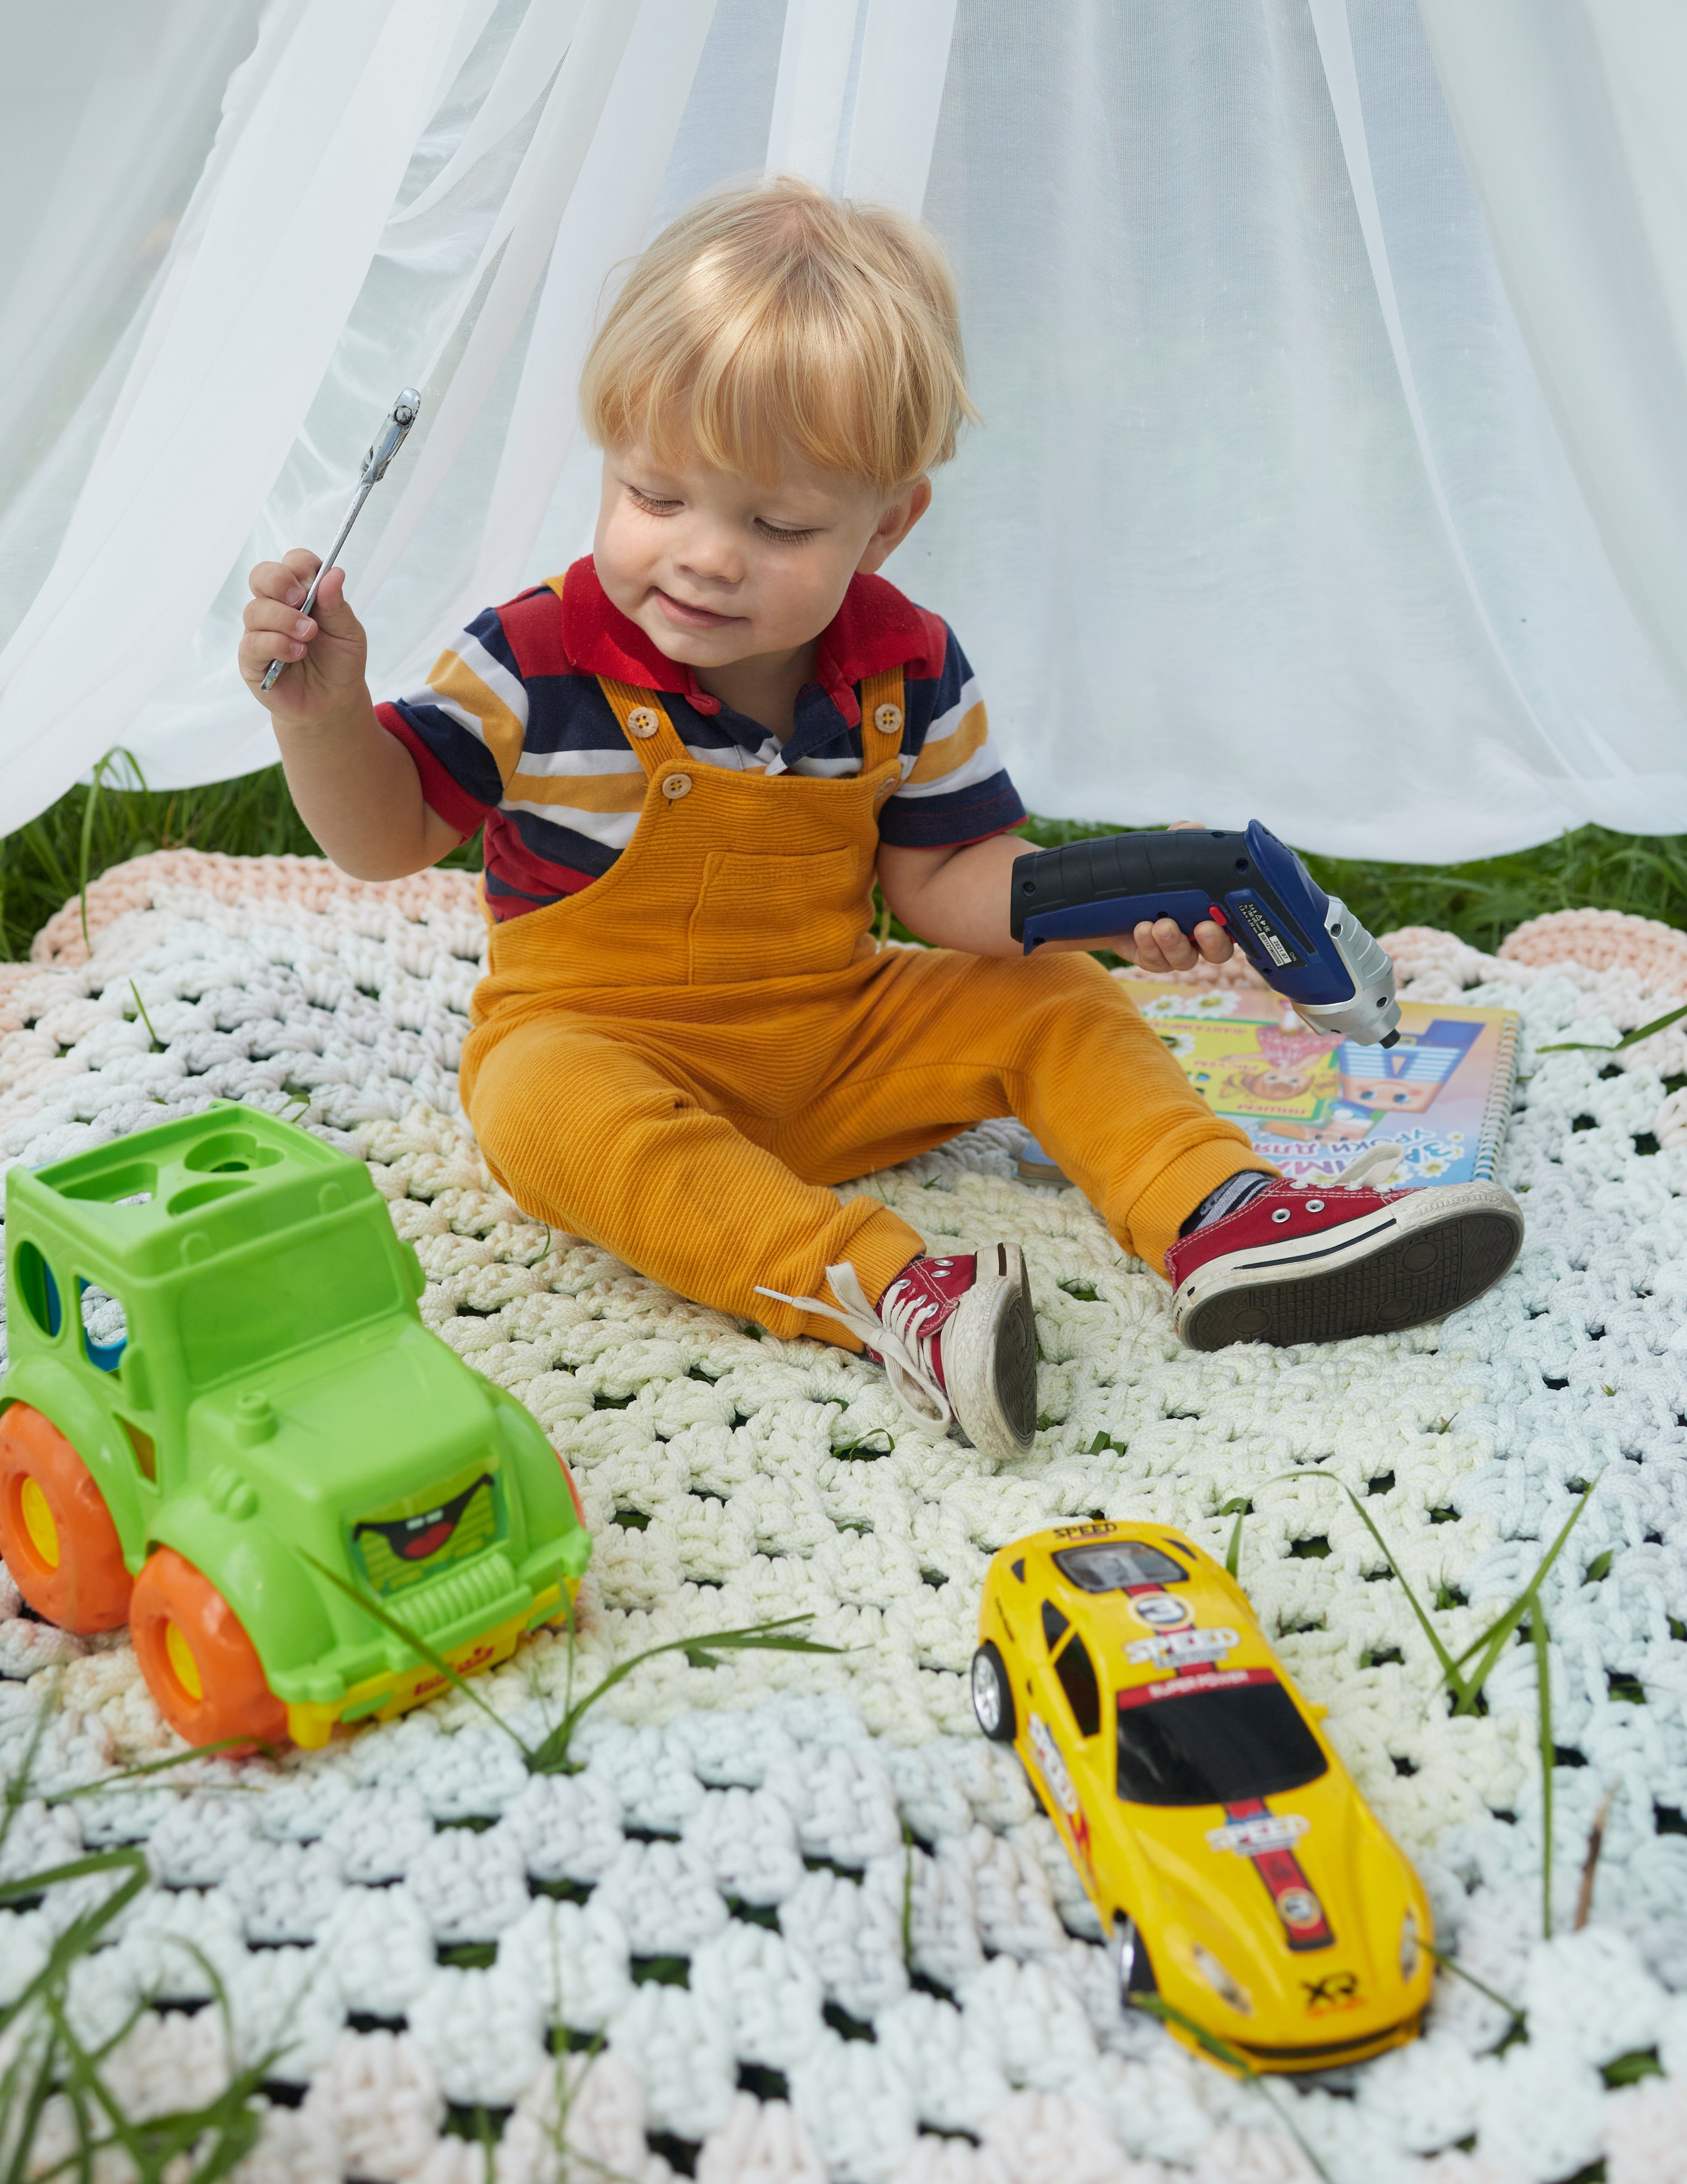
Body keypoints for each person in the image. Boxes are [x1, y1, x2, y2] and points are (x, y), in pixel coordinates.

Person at [238, 179, 1523, 1459]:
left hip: (836, 1034)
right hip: (600, 1037)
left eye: (776, 523)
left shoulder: (905, 668)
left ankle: (1216, 1214)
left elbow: (945, 878)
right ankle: (896, 1294)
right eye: (654, 496)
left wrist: (1114, 909)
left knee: (1055, 1000)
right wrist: (323, 716)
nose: (701, 555)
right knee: (534, 1108)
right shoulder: (534, 654)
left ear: (886, 523)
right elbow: (384, 836)